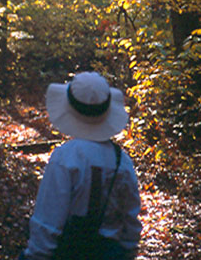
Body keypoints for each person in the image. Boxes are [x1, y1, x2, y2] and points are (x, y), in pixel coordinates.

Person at [19, 71, 142, 260]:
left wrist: (35, 255)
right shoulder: (122, 160)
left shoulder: (65, 158)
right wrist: (128, 251)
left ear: (71, 110)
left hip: (69, 252)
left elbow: (48, 219)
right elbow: (130, 216)